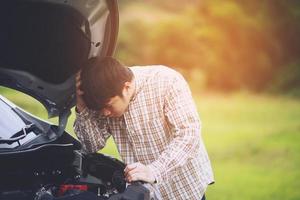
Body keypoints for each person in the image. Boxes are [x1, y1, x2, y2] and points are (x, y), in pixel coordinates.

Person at [74, 56, 214, 200]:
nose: (105, 113)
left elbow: (189, 134)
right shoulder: (103, 98)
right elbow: (92, 145)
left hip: (183, 189)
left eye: (108, 105)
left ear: (126, 87)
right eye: (99, 108)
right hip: (144, 193)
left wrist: (154, 170)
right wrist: (82, 108)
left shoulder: (166, 81)